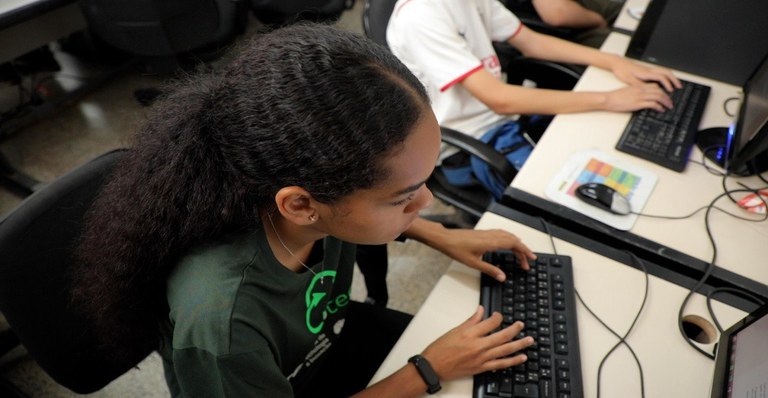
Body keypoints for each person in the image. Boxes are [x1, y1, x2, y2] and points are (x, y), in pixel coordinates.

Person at [71, 23, 539, 397]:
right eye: (404, 197)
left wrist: (436, 234)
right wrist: (426, 370)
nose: (427, 202)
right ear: (300, 206)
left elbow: (357, 216)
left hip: (326, 339)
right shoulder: (223, 326)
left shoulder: (298, 192)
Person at [386, 0, 682, 143]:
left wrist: (613, 62)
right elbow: (499, 99)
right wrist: (609, 98)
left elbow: (531, 41)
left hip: (508, 116)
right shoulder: (420, 18)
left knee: (607, 136)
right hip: (475, 138)